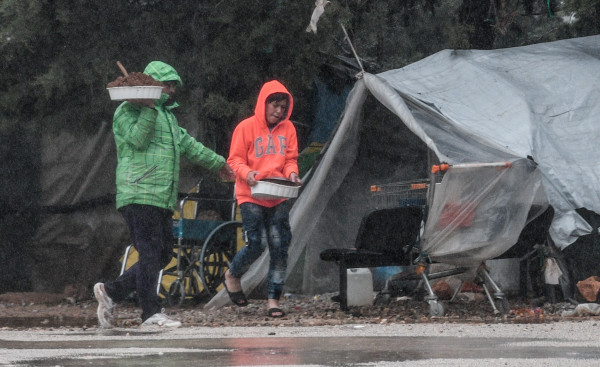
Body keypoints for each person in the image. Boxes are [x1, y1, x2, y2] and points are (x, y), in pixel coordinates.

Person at [94, 61, 235, 328]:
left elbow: (190, 146)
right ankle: (150, 313)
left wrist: (219, 164)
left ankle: (111, 292)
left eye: (173, 86)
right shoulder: (126, 111)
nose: (171, 90)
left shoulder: (168, 118)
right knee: (149, 253)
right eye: (166, 85)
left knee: (162, 255)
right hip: (138, 192)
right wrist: (147, 109)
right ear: (152, 85)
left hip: (161, 197)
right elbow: (137, 140)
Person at [224, 80, 301, 318]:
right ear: (264, 103)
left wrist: (292, 174)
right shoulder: (245, 127)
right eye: (274, 105)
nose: (278, 111)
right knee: (255, 243)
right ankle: (232, 275)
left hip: (278, 195)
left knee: (279, 246)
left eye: (282, 107)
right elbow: (234, 160)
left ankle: (273, 300)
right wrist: (248, 174)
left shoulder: (288, 129)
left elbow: (290, 159)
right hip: (251, 194)